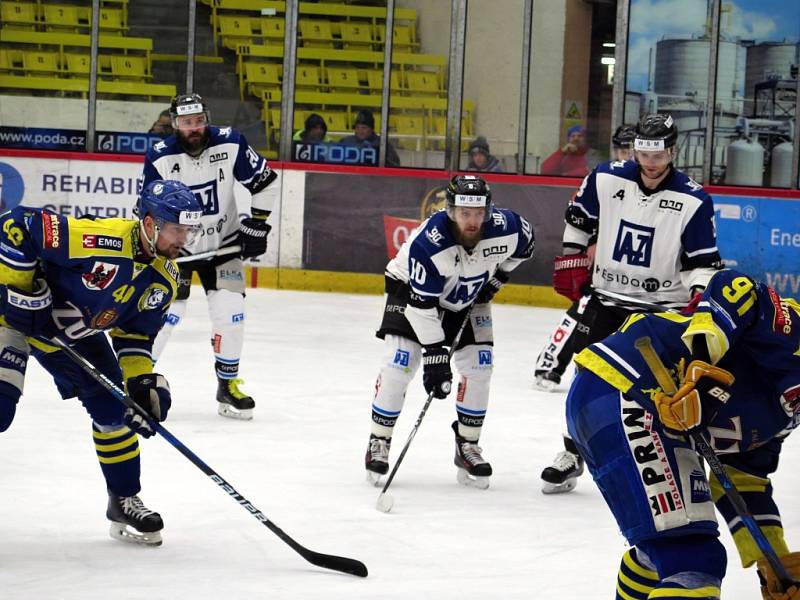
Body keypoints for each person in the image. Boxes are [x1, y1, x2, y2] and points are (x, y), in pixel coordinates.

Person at [566, 269, 800, 599]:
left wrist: (775, 560)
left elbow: (745, 479)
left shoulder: (786, 413)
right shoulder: (795, 334)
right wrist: (701, 377)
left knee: (663, 552)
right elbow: (738, 288)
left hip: (635, 408)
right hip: (632, 389)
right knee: (693, 563)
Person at [0, 180, 202, 546]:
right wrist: (20, 292)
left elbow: (135, 336)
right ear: (151, 223)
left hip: (72, 334)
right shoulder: (97, 239)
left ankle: (122, 499)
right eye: (176, 228)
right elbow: (16, 225)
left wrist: (142, 383)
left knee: (115, 410)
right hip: (10, 319)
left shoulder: (164, 279)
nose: (182, 239)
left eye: (188, 230)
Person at [539, 113, 723, 494]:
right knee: (586, 381)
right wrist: (573, 255)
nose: (650, 162)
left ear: (673, 151)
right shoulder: (606, 177)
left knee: (666, 390)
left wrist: (698, 299)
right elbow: (579, 219)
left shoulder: (693, 199)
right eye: (643, 152)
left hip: (661, 310)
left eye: (658, 154)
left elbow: (702, 263)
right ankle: (574, 452)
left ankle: (677, 460)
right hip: (607, 300)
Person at [364, 174, 535, 489]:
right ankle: (380, 438)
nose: (472, 221)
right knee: (401, 361)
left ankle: (467, 444)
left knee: (480, 364)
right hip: (411, 294)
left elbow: (526, 245)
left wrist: (498, 280)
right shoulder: (430, 244)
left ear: (488, 210)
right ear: (450, 211)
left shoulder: (506, 227)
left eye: (478, 213)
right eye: (464, 214)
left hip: (465, 294)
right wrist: (435, 356)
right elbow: (422, 305)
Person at [143, 93, 278, 420]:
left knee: (232, 315)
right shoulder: (160, 156)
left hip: (224, 244)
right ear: (175, 125)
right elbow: (147, 212)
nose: (195, 128)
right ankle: (138, 380)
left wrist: (257, 225)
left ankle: (227, 385)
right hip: (178, 249)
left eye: (199, 121)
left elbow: (266, 184)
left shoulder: (230, 142)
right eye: (187, 123)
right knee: (166, 317)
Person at [533, 124, 637, 392]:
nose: (627, 156)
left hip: (631, 264)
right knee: (583, 307)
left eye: (631, 150)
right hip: (601, 261)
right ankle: (551, 364)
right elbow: (579, 215)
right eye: (622, 150)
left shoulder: (648, 182)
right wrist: (591, 243)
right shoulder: (603, 179)